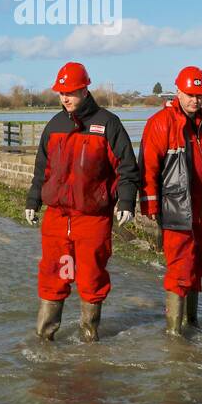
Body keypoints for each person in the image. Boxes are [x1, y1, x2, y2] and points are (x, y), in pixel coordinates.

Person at [25, 62, 139, 342]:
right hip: (57, 218)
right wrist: (33, 200)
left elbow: (127, 167)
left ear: (85, 89)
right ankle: (44, 339)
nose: (65, 98)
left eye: (71, 92)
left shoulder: (108, 123)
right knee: (53, 277)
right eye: (61, 92)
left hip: (93, 218)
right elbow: (42, 169)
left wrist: (126, 201)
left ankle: (89, 340)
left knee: (91, 278)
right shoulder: (54, 126)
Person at [140, 66, 202, 335]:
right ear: (178, 92)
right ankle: (174, 333)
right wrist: (150, 204)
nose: (196, 100)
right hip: (176, 210)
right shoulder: (159, 123)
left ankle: (192, 323)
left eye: (200, 96)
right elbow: (148, 167)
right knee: (180, 270)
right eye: (191, 95)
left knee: (199, 267)